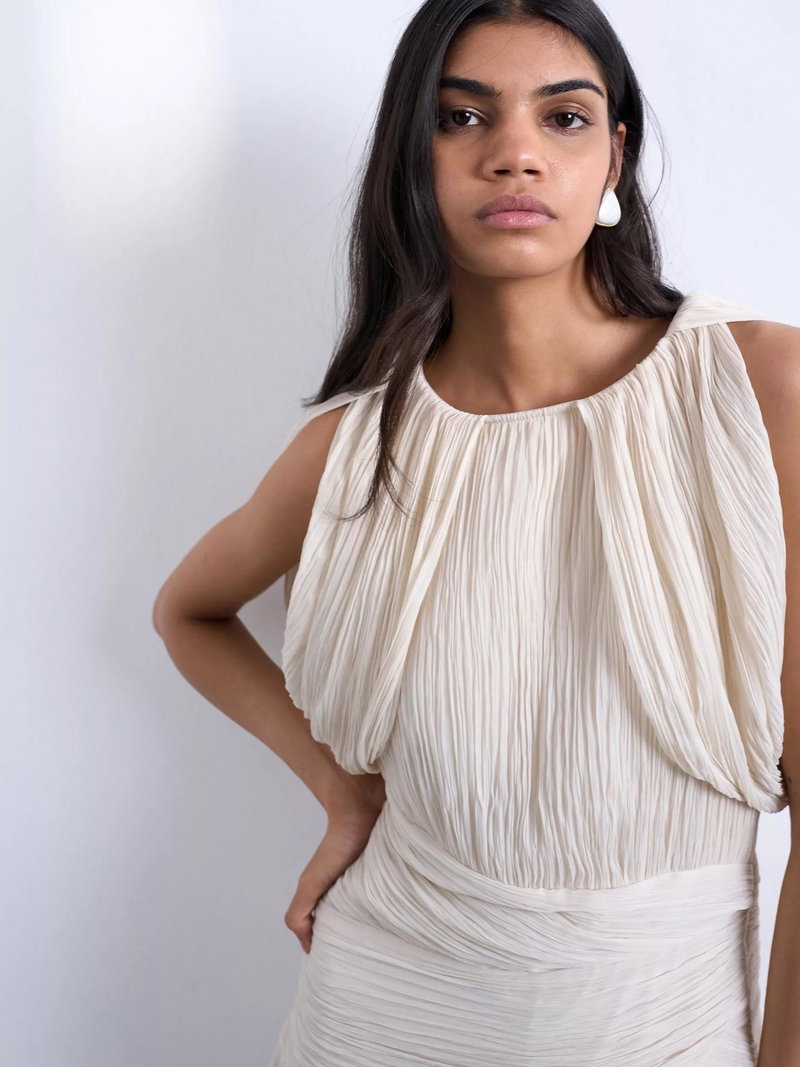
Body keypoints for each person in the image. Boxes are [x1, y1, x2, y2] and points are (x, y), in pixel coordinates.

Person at [152, 0, 800, 1063]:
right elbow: (188, 610)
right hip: (380, 1011)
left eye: (563, 117)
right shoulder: (355, 446)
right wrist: (341, 792)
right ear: (412, 159)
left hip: (662, 1023)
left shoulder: (756, 387)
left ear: (614, 156)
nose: (514, 154)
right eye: (461, 118)